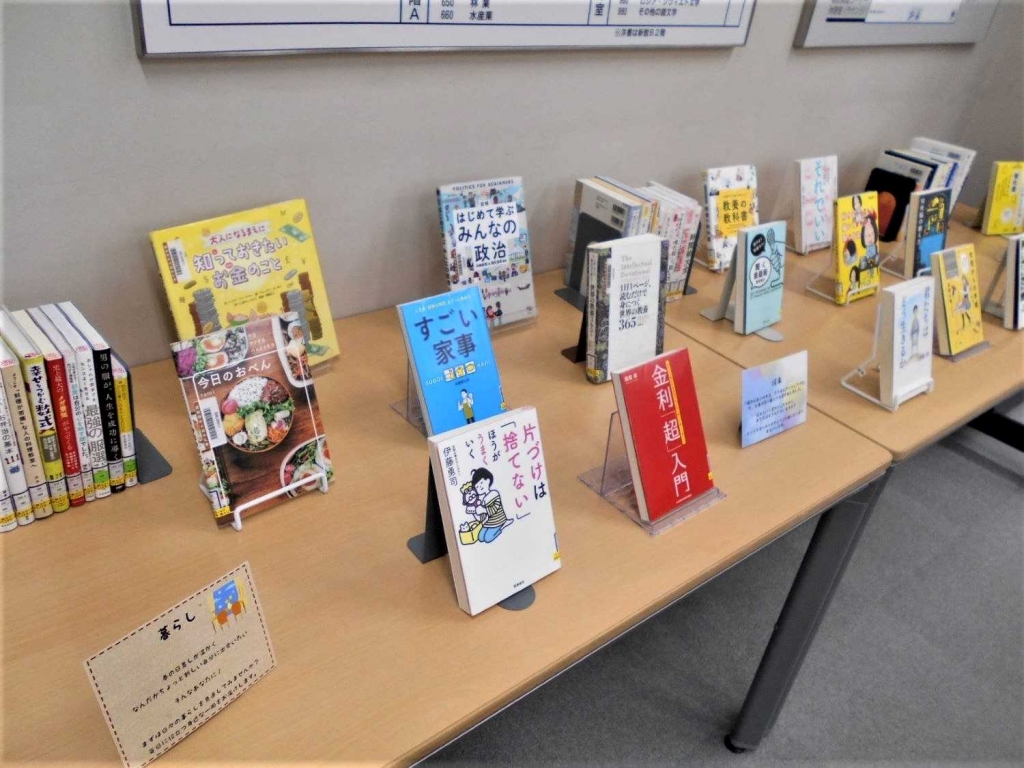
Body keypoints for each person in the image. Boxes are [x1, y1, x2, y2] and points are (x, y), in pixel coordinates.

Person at [471, 467, 512, 544]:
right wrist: (475, 513)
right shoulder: (483, 500)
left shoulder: (494, 494)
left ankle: (503, 526)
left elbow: (494, 509)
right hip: (488, 523)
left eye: (481, 483)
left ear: (488, 480)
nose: (479, 487)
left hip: (498, 521)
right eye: (477, 487)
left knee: (487, 538)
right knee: (480, 537)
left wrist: (483, 510)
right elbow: (483, 517)